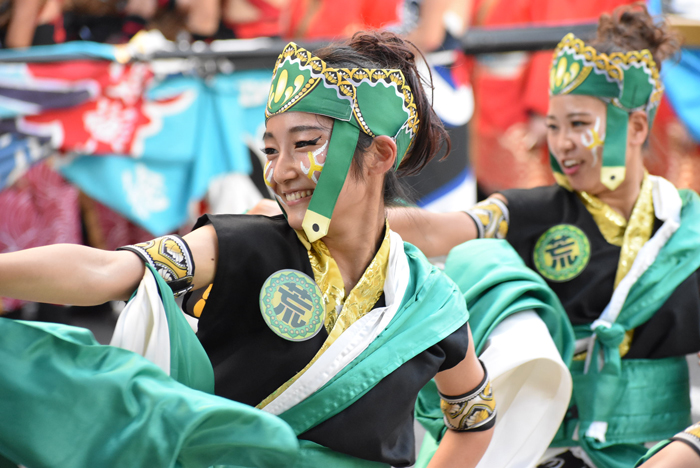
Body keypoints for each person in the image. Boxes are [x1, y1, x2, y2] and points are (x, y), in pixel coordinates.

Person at [0, 30, 496, 467]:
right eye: (272, 150)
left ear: (381, 153)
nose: (280, 173)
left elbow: (474, 421)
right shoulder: (245, 245)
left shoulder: (431, 304)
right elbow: (107, 271)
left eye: (304, 144)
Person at [386, 5, 700, 468]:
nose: (562, 142)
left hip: (662, 452)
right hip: (539, 446)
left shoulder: (686, 235)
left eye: (578, 124)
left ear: (635, 127)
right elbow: (435, 229)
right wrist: (332, 214)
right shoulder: (537, 211)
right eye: (553, 126)